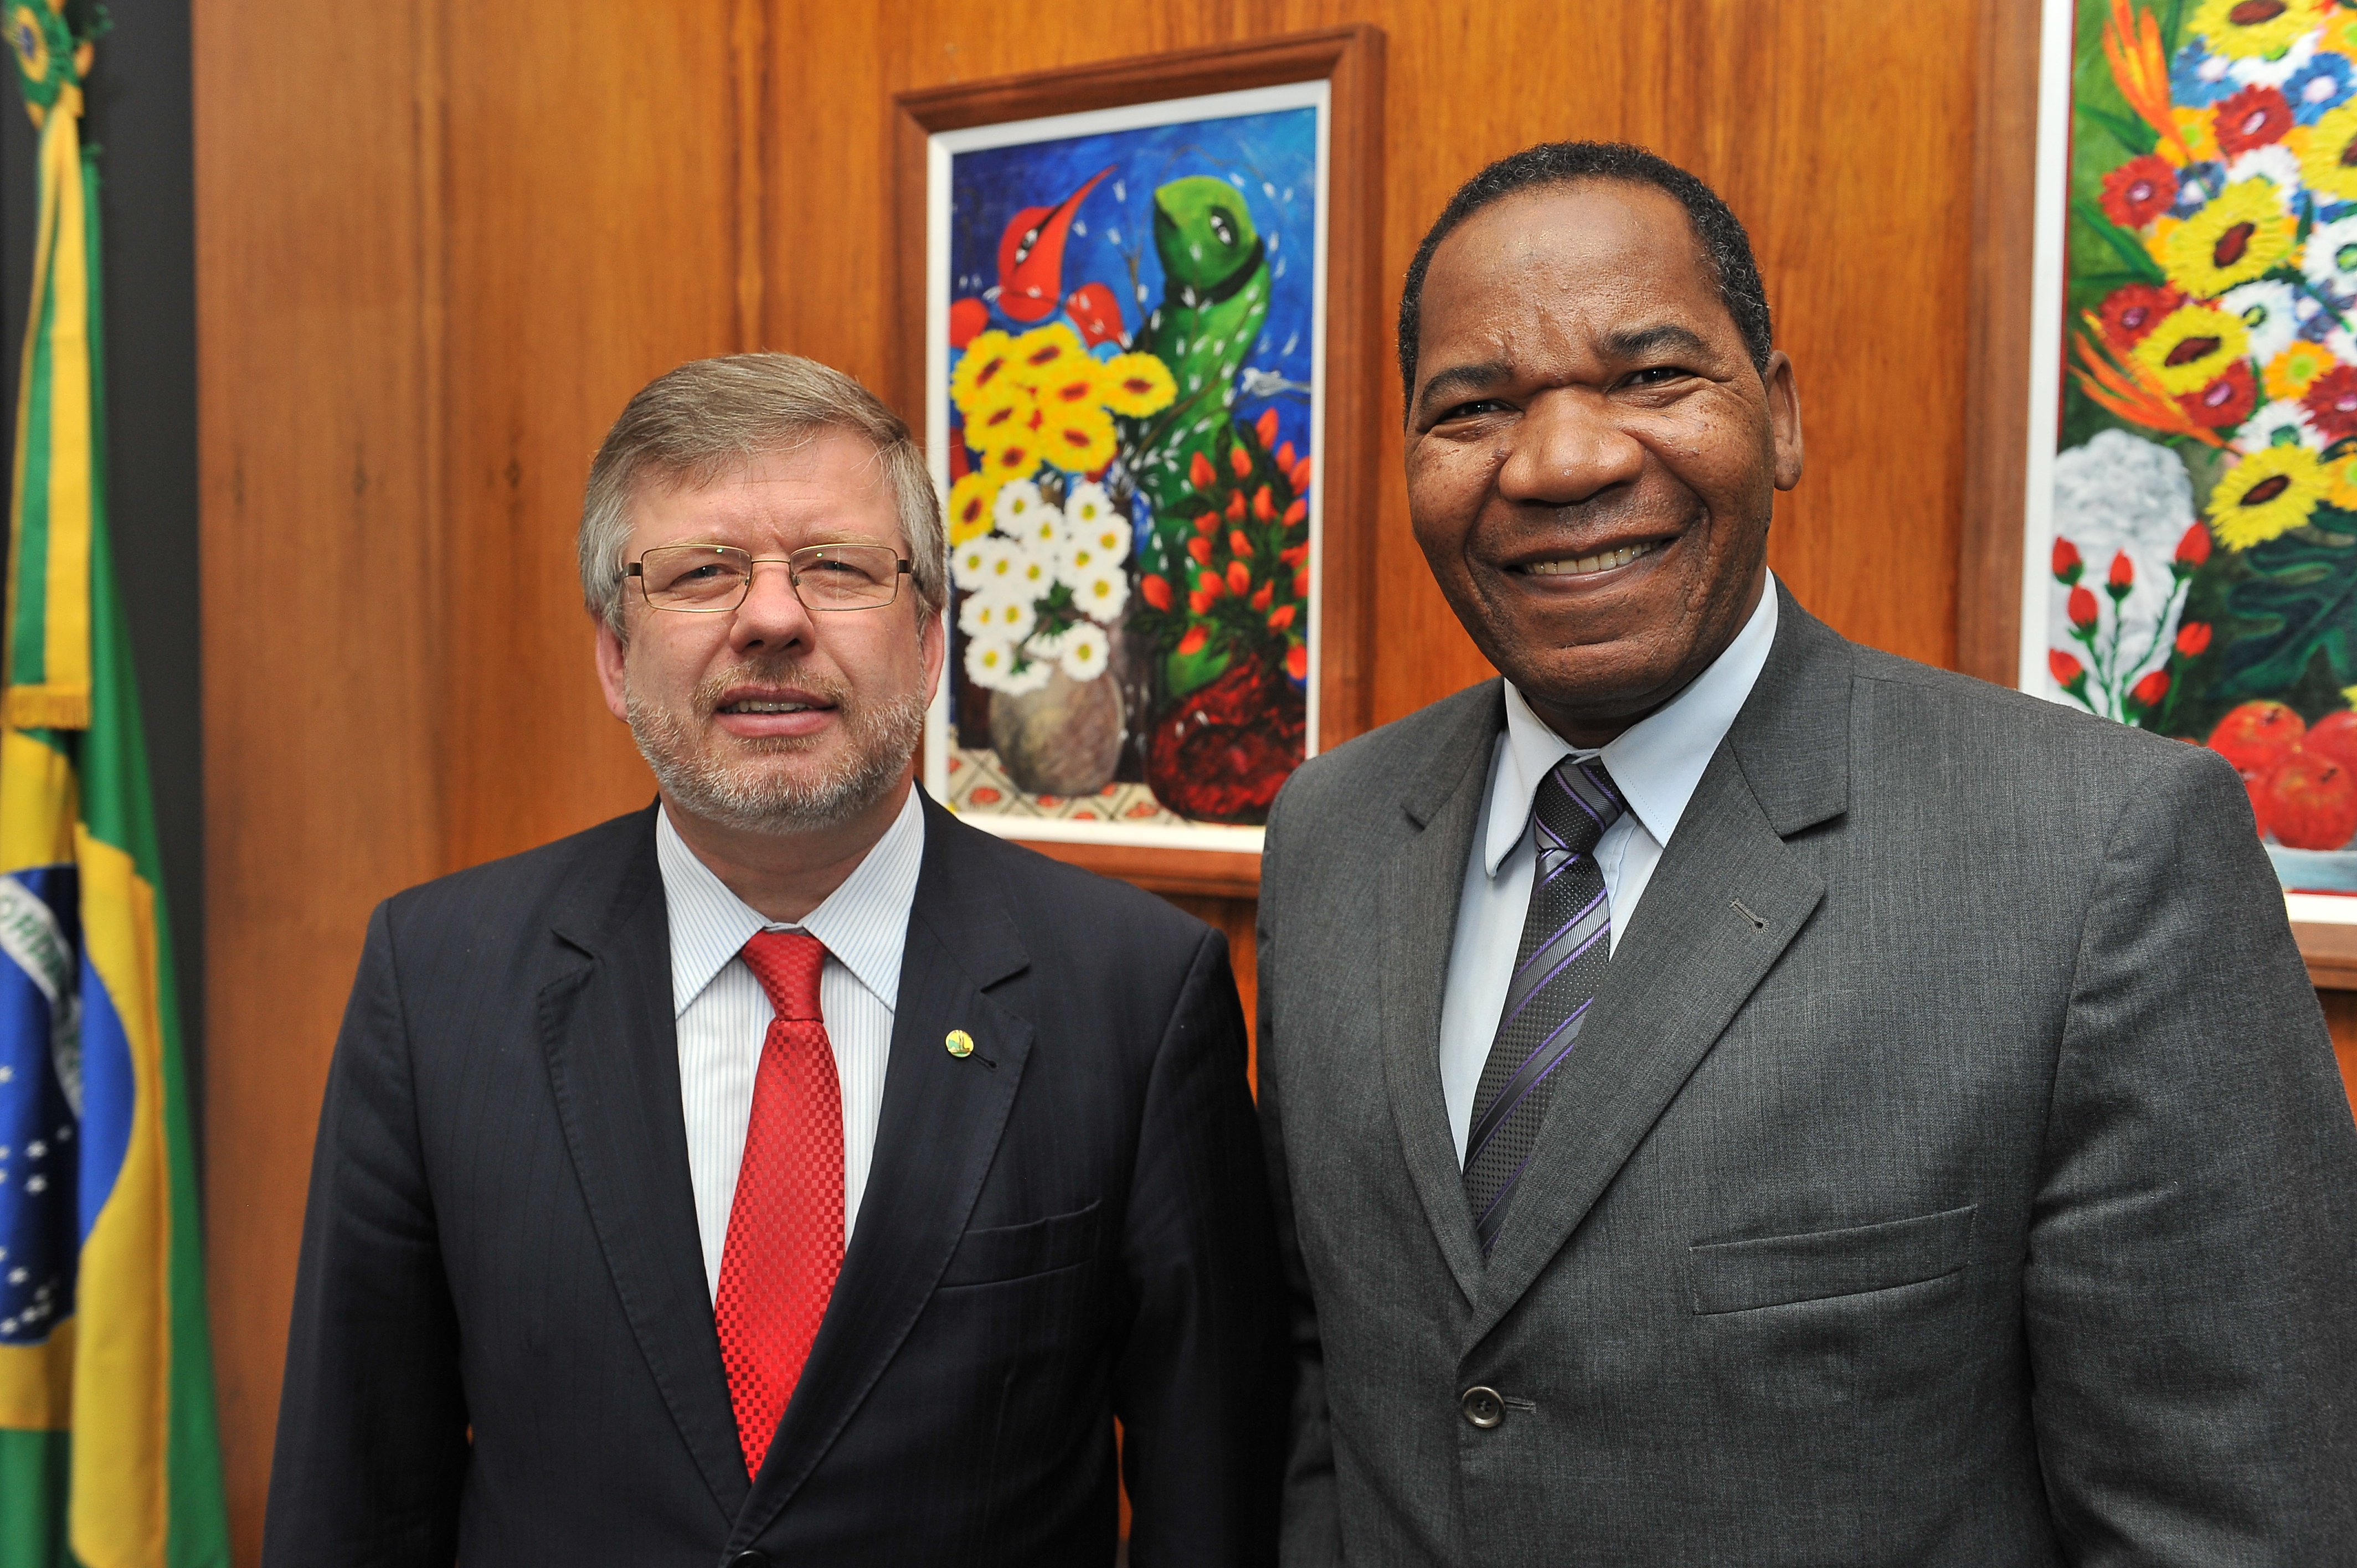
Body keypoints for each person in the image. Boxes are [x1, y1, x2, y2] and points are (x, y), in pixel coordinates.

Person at [1255, 141, 2357, 1565]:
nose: (1564, 459)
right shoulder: (1330, 833)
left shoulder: (2100, 859)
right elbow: (1329, 1390)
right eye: (1473, 407)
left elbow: (2237, 1519)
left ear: (1775, 416)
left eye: (1651, 377)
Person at [263, 353, 1280, 1565]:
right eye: (700, 574)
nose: (772, 617)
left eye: (836, 569)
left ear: (926, 638)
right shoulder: (435, 983)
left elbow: (1211, 1504)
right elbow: (359, 1490)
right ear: (612, 655)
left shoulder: (1134, 994)